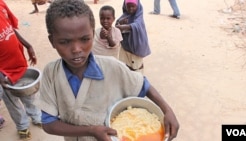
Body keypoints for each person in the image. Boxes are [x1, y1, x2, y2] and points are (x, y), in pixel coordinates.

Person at [39, 0, 179, 141]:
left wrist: (167, 110)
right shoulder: (51, 73)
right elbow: (48, 124)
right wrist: (91, 131)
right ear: (52, 41)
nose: (76, 49)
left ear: (93, 34)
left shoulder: (112, 67)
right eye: (65, 42)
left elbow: (143, 85)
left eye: (84, 39)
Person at [0, 0, 42, 140]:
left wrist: (28, 45)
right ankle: (22, 126)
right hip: (3, 71)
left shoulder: (1, 5)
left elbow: (11, 29)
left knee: (28, 94)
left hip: (18, 62)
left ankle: (36, 116)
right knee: (11, 100)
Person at [115, 0, 150, 73]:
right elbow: (117, 25)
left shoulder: (138, 17)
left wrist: (125, 27)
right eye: (128, 6)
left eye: (133, 6)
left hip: (135, 49)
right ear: (125, 6)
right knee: (123, 66)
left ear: (137, 6)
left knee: (136, 69)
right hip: (125, 48)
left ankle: (137, 81)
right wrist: (120, 23)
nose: (131, 8)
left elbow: (137, 25)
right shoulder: (125, 15)